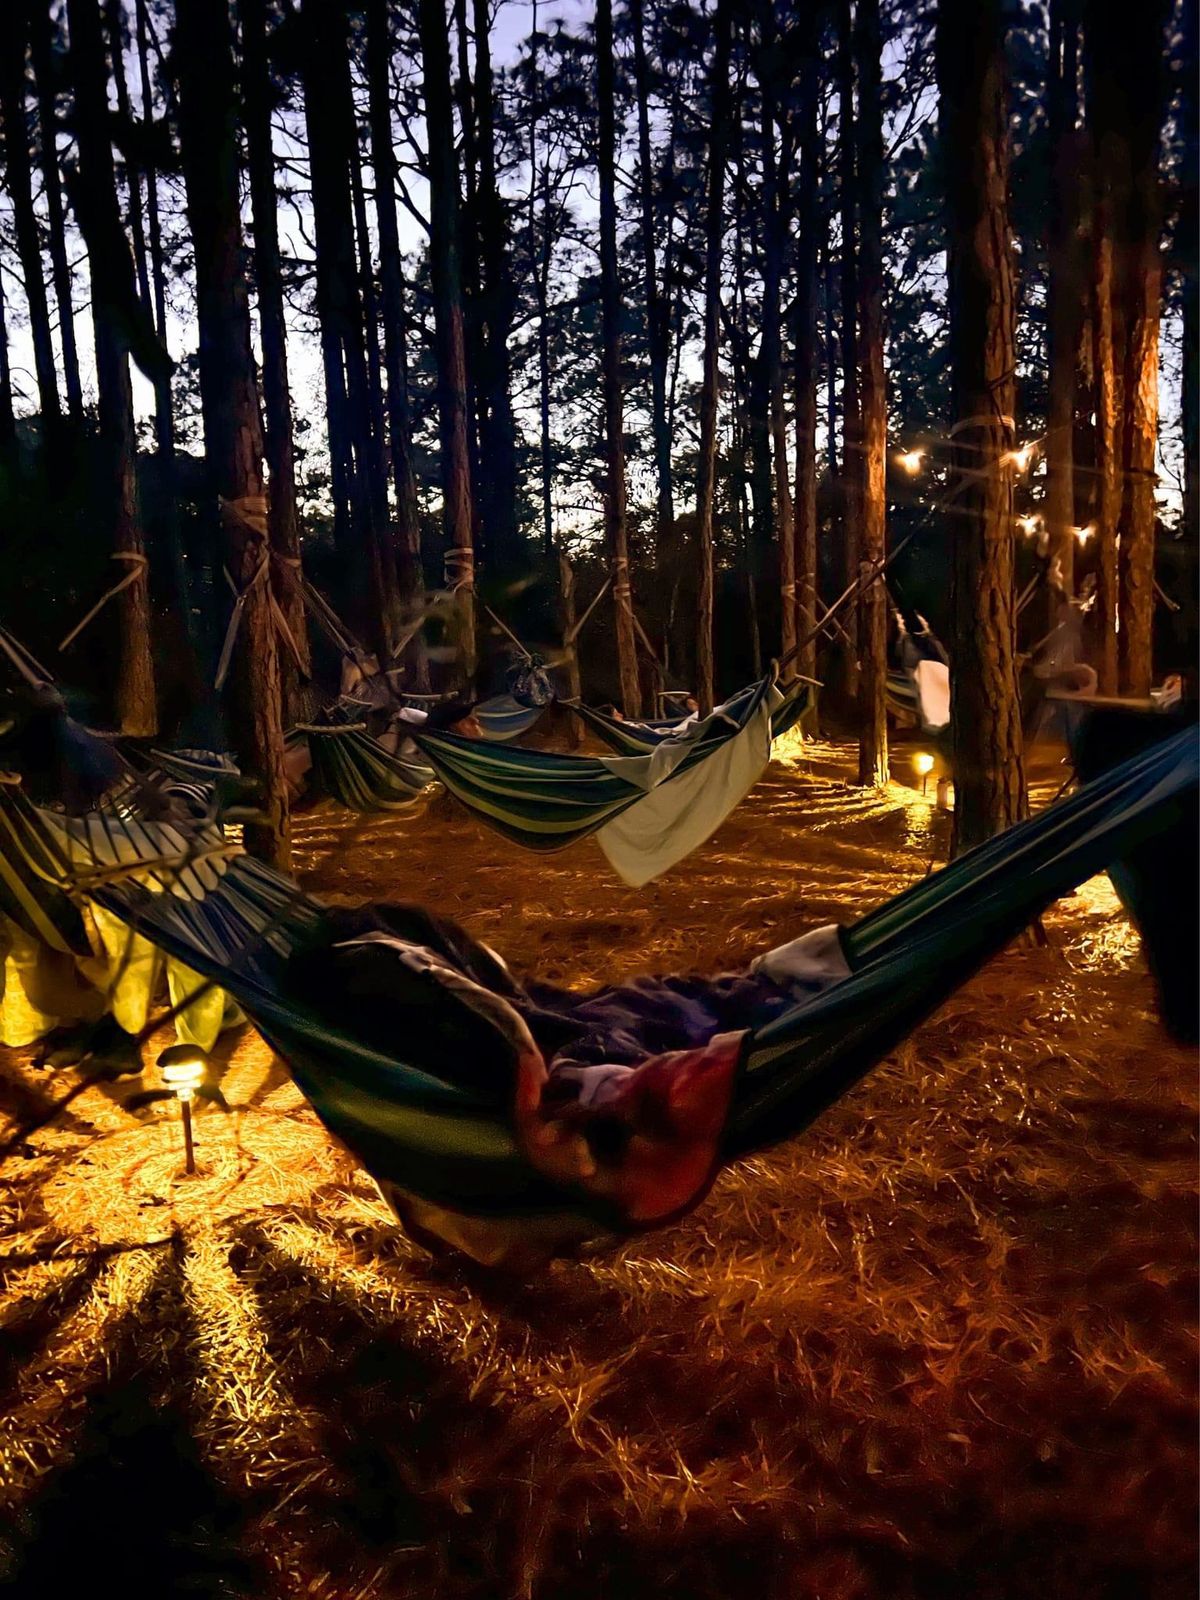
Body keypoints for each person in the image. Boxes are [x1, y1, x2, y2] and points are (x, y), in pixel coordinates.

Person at [286, 901, 851, 1260]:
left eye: (651, 1108)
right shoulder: (626, 1055)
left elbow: (355, 949)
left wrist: (517, 1062)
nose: (680, 1077)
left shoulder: (486, 1061)